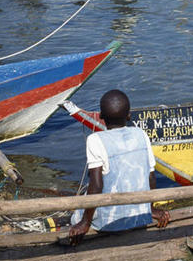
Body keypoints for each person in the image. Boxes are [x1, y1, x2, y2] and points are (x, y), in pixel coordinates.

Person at [69, 90, 169, 245]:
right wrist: (150, 210)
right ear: (128, 115)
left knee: (76, 214)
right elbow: (151, 178)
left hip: (109, 223)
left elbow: (96, 186)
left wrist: (85, 223)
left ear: (101, 116)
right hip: (140, 218)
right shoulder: (141, 134)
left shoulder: (95, 139)